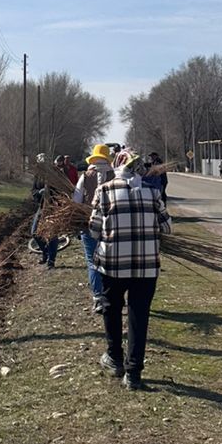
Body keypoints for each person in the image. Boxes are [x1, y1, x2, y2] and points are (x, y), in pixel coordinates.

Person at [87, 149, 172, 391]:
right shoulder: (153, 192)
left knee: (111, 308)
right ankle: (133, 374)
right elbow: (167, 228)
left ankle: (114, 358)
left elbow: (93, 229)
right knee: (139, 316)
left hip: (112, 265)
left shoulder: (104, 191)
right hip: (146, 267)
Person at [74, 143, 113, 313]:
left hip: (88, 224)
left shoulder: (85, 176)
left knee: (92, 262)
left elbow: (76, 200)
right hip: (111, 226)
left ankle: (98, 298)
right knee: (110, 261)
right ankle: (111, 295)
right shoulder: (115, 175)